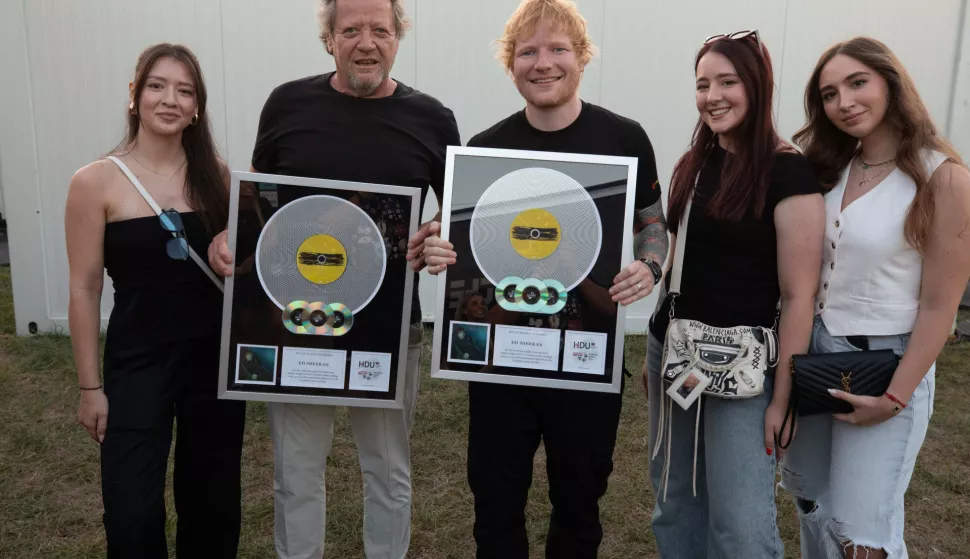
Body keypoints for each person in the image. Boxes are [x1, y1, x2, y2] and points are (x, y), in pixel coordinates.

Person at [411, 1, 669, 556]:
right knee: (496, 504)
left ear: (581, 58)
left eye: (558, 49)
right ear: (512, 63)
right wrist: (437, 244)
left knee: (579, 504)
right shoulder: (483, 149)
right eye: (527, 51)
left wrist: (649, 266)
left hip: (583, 357)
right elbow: (458, 241)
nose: (542, 62)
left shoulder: (624, 138)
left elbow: (654, 224)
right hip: (501, 360)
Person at [206, 1, 460, 557]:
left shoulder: (433, 118)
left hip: (390, 328)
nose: (365, 42)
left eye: (380, 30)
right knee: (295, 474)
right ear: (329, 38)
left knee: (388, 475)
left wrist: (437, 233)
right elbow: (260, 207)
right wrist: (233, 236)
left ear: (398, 37)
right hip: (294, 325)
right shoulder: (286, 104)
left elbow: (455, 211)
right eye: (350, 30)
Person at [780, 36, 970, 559]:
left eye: (857, 83)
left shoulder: (943, 178)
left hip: (885, 365)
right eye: (829, 93)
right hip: (814, 359)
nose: (844, 102)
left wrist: (894, 398)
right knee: (812, 504)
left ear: (891, 82)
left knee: (863, 535)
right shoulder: (826, 170)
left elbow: (940, 307)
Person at [642, 31, 825, 558]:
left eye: (728, 81)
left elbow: (798, 297)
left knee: (741, 525)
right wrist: (659, 359)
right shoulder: (694, 163)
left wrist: (783, 398)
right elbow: (680, 263)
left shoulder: (788, 172)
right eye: (702, 84)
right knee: (675, 503)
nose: (713, 96)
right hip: (676, 354)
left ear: (758, 86)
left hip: (747, 374)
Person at [65, 43, 245, 558]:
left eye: (185, 91)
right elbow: (84, 287)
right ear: (135, 95)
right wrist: (89, 388)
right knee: (132, 507)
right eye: (157, 86)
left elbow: (242, 264)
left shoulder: (219, 176)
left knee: (212, 502)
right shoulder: (95, 181)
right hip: (137, 359)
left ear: (196, 108)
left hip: (211, 360)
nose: (170, 99)